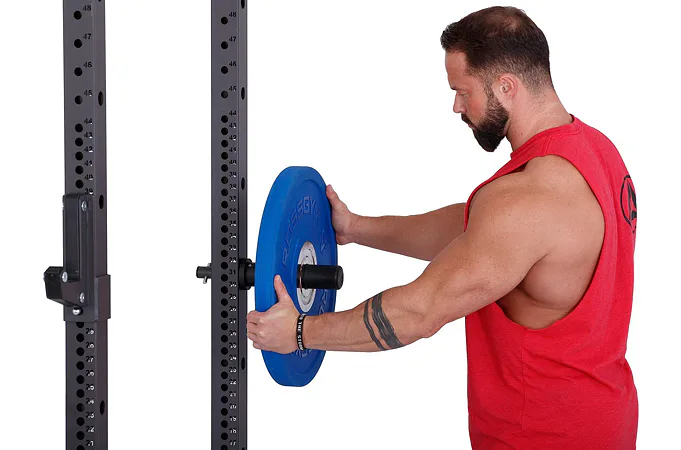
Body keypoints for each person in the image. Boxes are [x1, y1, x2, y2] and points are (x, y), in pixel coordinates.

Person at [246, 6, 638, 449]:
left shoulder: (525, 200)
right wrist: (356, 228)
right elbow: (476, 230)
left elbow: (418, 312)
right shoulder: (593, 154)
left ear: (506, 87)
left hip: (543, 438)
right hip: (605, 420)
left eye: (462, 91)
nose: (456, 107)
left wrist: (299, 331)